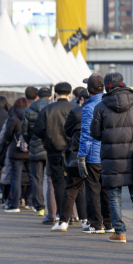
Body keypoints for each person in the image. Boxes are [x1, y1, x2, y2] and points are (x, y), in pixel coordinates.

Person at [90, 72, 133, 243]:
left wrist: (110, 137)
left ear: (108, 86)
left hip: (111, 157)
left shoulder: (100, 106)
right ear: (123, 84)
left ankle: (120, 232)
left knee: (114, 196)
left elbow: (94, 133)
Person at [35, 82, 76, 225]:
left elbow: (38, 130)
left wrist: (48, 141)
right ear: (70, 94)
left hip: (53, 150)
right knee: (74, 183)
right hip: (73, 151)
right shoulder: (77, 108)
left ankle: (60, 215)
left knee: (57, 183)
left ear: (55, 94)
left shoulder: (47, 109)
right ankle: (75, 216)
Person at [78, 74, 112, 234]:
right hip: (108, 153)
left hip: (93, 155)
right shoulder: (108, 103)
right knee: (107, 190)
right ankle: (109, 223)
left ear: (89, 89)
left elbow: (86, 135)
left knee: (93, 190)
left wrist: (81, 156)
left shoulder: (89, 108)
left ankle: (96, 224)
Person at [52, 88, 90, 231]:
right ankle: (93, 222)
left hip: (78, 154)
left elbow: (67, 131)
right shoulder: (102, 110)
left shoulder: (76, 111)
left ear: (81, 99)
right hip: (98, 155)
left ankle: (63, 222)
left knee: (72, 187)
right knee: (96, 189)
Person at [22, 87, 52, 217]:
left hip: (35, 148)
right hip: (52, 148)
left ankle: (39, 207)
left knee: (36, 179)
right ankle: (55, 208)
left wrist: (30, 142)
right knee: (53, 179)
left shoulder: (29, 110)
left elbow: (24, 131)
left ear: (38, 97)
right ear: (51, 96)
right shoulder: (54, 108)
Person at [2, 97, 31, 213]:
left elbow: (7, 135)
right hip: (30, 151)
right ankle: (32, 203)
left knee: (16, 178)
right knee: (33, 178)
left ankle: (15, 204)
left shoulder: (14, 119)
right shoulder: (32, 117)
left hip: (16, 152)